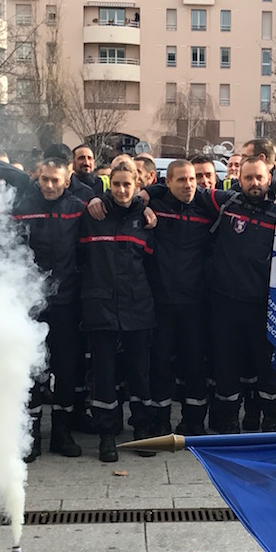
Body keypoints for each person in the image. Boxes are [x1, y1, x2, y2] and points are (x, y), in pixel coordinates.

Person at [0, 144, 88, 461]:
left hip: (66, 305)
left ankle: (62, 434)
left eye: (56, 180)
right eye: (45, 179)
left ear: (67, 180)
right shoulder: (22, 205)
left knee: (66, 371)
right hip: (28, 305)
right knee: (31, 373)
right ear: (37, 178)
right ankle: (31, 436)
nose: (50, 185)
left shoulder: (78, 207)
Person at [207, 157, 276, 433]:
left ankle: (272, 422)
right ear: (239, 179)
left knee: (269, 370)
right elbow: (181, 189)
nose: (254, 183)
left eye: (259, 178)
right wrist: (148, 192)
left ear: (270, 179)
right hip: (226, 304)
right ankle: (228, 423)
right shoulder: (226, 205)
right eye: (248, 178)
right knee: (226, 368)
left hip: (266, 308)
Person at [78, 161, 157, 462]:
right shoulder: (94, 215)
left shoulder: (146, 219)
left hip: (137, 307)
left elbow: (152, 264)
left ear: (138, 185)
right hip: (100, 308)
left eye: (128, 184)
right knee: (104, 376)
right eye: (117, 184)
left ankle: (142, 429)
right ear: (109, 185)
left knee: (139, 372)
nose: (122, 190)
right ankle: (107, 434)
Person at [143, 160, 218, 436]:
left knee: (194, 363)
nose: (188, 185)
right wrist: (149, 195)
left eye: (192, 180)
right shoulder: (155, 210)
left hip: (195, 302)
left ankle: (194, 420)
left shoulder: (205, 210)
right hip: (161, 301)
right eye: (181, 180)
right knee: (160, 363)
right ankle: (160, 420)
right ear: (168, 182)